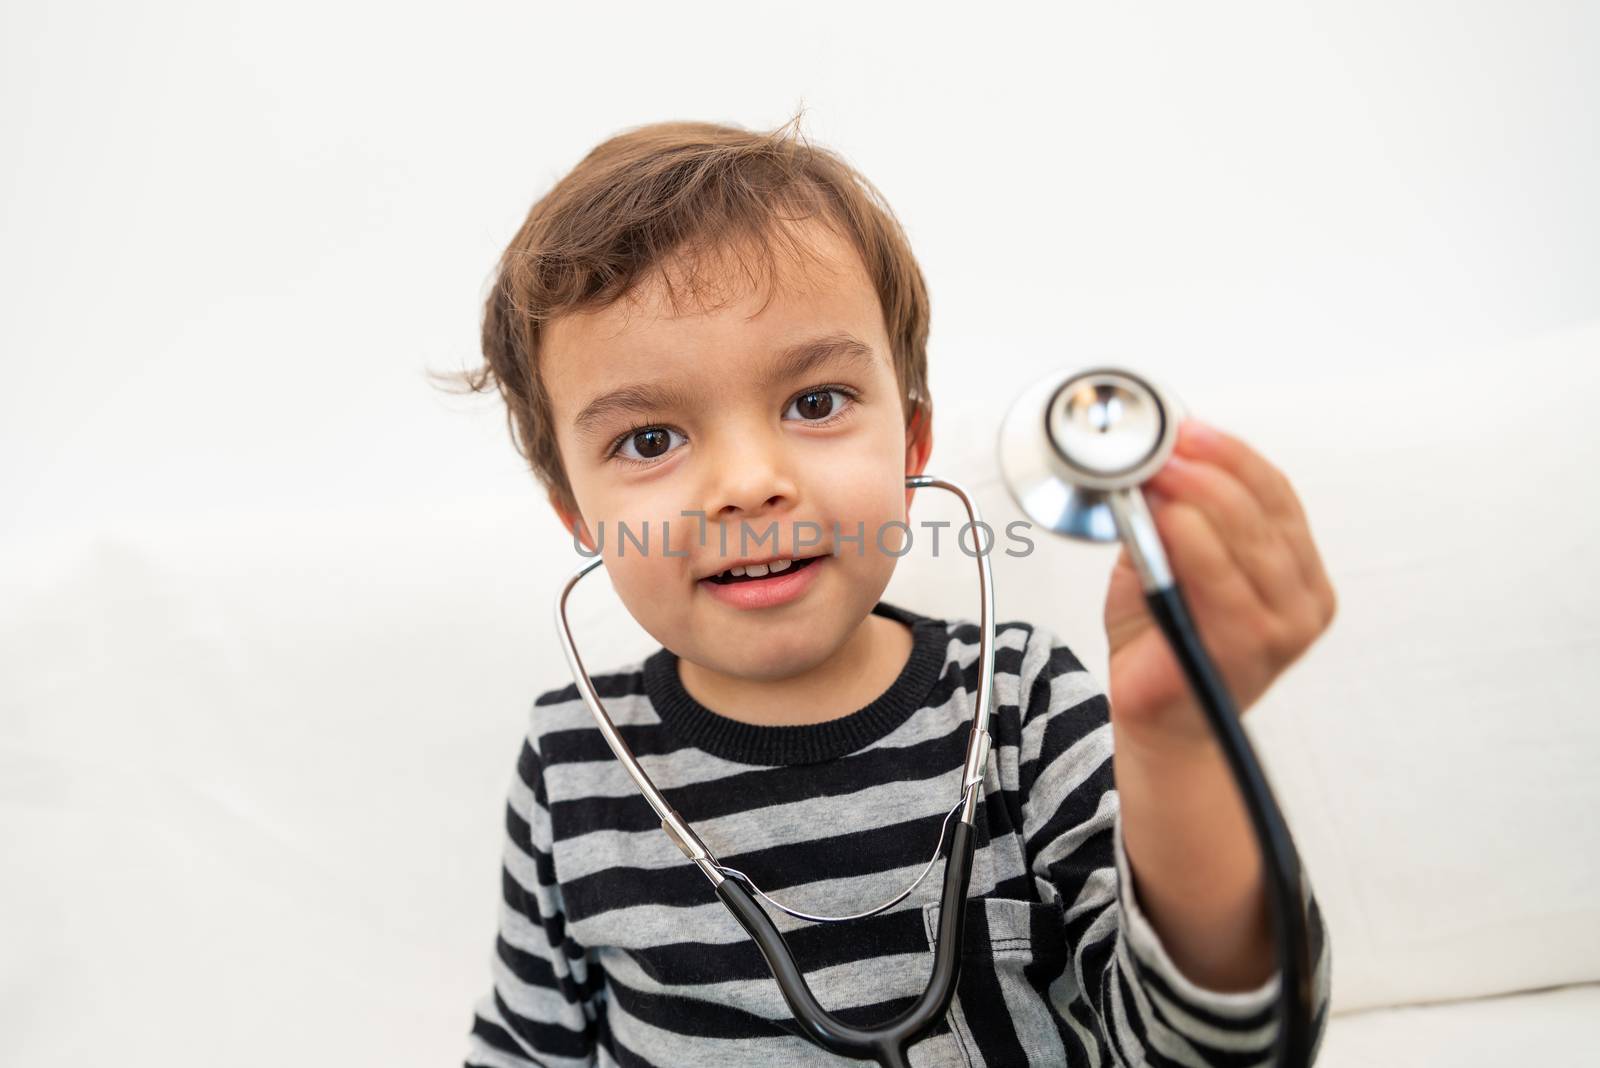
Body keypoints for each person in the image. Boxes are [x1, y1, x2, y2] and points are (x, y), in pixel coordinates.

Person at [441, 115, 1336, 1067]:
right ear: (576, 513)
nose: (748, 482)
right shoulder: (569, 766)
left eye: (814, 402)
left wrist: (1181, 743)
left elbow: (1220, 1052)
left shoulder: (1021, 707)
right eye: (649, 440)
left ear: (911, 447)